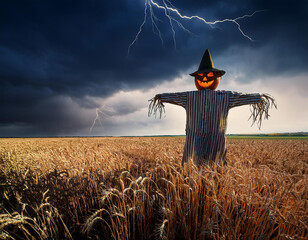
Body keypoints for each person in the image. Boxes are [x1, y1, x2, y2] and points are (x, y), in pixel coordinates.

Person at [149, 49, 276, 166]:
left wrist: (258, 98)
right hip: (195, 139)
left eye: (209, 76)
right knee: (192, 168)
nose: (204, 79)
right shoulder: (190, 96)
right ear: (196, 78)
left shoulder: (224, 96)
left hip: (215, 139)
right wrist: (161, 97)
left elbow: (241, 97)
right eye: (201, 76)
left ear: (217, 77)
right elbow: (174, 96)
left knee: (215, 168)